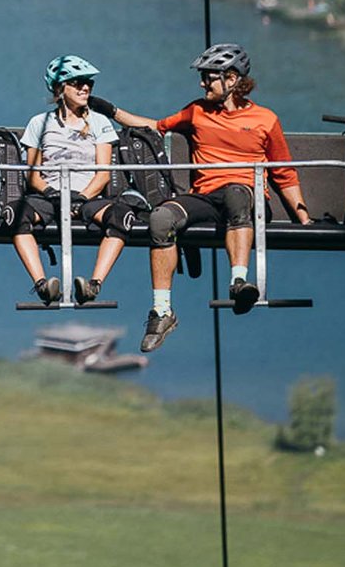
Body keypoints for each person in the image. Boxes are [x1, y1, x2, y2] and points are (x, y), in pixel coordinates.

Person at [98, 43, 311, 348]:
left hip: (246, 197)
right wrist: (111, 110)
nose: (203, 83)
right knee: (160, 218)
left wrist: (303, 217)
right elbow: (154, 126)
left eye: (209, 77)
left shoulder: (266, 120)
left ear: (232, 79)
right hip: (207, 197)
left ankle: (238, 283)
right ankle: (161, 311)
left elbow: (284, 172)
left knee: (237, 194)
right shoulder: (196, 111)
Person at [8, 55, 128, 306]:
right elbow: (33, 173)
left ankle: (93, 285)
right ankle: (42, 285)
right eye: (77, 83)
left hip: (87, 196)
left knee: (120, 218)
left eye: (88, 83)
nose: (85, 88)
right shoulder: (40, 123)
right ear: (60, 88)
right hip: (50, 196)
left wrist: (81, 197)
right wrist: (51, 192)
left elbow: (103, 172)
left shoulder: (98, 122)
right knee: (16, 216)